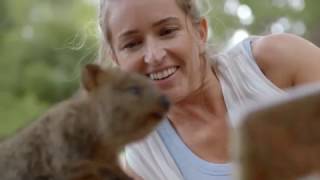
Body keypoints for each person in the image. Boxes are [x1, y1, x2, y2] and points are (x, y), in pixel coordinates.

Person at [97, 0, 320, 179]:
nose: (154, 56)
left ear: (200, 33)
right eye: (132, 44)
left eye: (167, 31)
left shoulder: (276, 62)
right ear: (116, 58)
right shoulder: (144, 156)